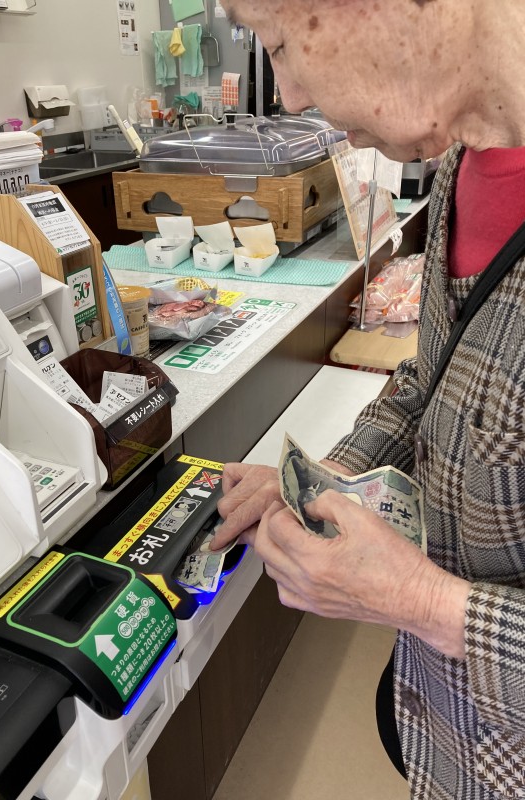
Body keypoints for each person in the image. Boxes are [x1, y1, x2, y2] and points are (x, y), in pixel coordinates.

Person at [211, 2, 525, 798]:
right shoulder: (464, 167)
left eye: (280, 42)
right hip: (447, 729)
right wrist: (324, 483)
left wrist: (420, 600)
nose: (287, 94)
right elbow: (432, 380)